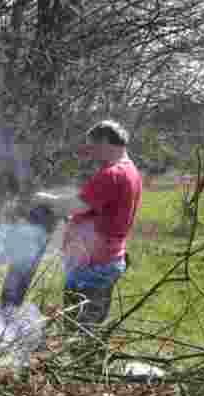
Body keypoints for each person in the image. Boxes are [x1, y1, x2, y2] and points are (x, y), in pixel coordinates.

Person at [62, 120, 143, 327]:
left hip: (93, 265)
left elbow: (75, 206)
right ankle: (88, 356)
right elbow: (97, 209)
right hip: (107, 260)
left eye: (93, 147)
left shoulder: (112, 174)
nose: (92, 154)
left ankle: (84, 357)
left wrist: (44, 199)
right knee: (90, 327)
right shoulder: (131, 170)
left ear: (106, 142)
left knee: (79, 329)